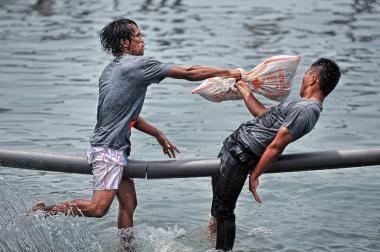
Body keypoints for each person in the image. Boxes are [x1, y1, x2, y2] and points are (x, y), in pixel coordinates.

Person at [33, 18, 241, 230]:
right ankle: (44, 210)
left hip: (111, 148)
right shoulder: (140, 65)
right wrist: (227, 72)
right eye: (138, 36)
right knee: (98, 208)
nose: (143, 40)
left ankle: (126, 247)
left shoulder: (109, 70)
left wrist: (157, 134)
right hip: (109, 150)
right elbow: (188, 72)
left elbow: (125, 115)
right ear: (125, 43)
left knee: (129, 204)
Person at [208, 58, 341, 251]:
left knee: (225, 211)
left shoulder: (306, 110)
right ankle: (211, 241)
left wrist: (255, 176)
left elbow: (277, 145)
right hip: (234, 148)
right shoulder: (301, 107)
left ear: (312, 78)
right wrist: (246, 92)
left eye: (304, 76)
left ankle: (223, 249)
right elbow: (264, 116)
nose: (302, 80)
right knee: (218, 209)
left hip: (240, 155)